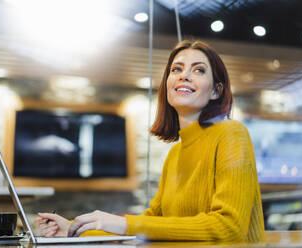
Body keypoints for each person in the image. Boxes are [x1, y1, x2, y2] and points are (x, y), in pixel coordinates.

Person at [36, 40, 266, 243]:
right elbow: (154, 221)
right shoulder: (176, 154)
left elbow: (230, 227)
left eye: (199, 70)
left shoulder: (232, 133)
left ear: (216, 91)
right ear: (167, 83)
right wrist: (76, 230)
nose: (184, 75)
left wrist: (124, 224)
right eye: (176, 69)